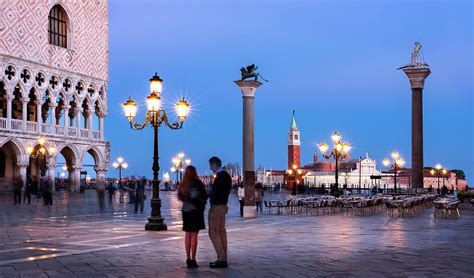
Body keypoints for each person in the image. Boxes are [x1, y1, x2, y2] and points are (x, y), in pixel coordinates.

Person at [178, 166, 207, 268]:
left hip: (186, 211)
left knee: (187, 234)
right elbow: (204, 196)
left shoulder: (183, 184)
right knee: (194, 235)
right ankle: (193, 259)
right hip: (196, 211)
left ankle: (187, 258)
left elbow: (180, 196)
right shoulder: (198, 183)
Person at [208, 156, 232, 269]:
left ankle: (221, 259)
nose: (210, 167)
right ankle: (223, 257)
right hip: (223, 205)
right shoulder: (226, 176)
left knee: (213, 232)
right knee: (222, 231)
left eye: (210, 165)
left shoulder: (220, 177)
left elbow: (216, 192)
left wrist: (211, 198)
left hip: (217, 207)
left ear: (214, 164)